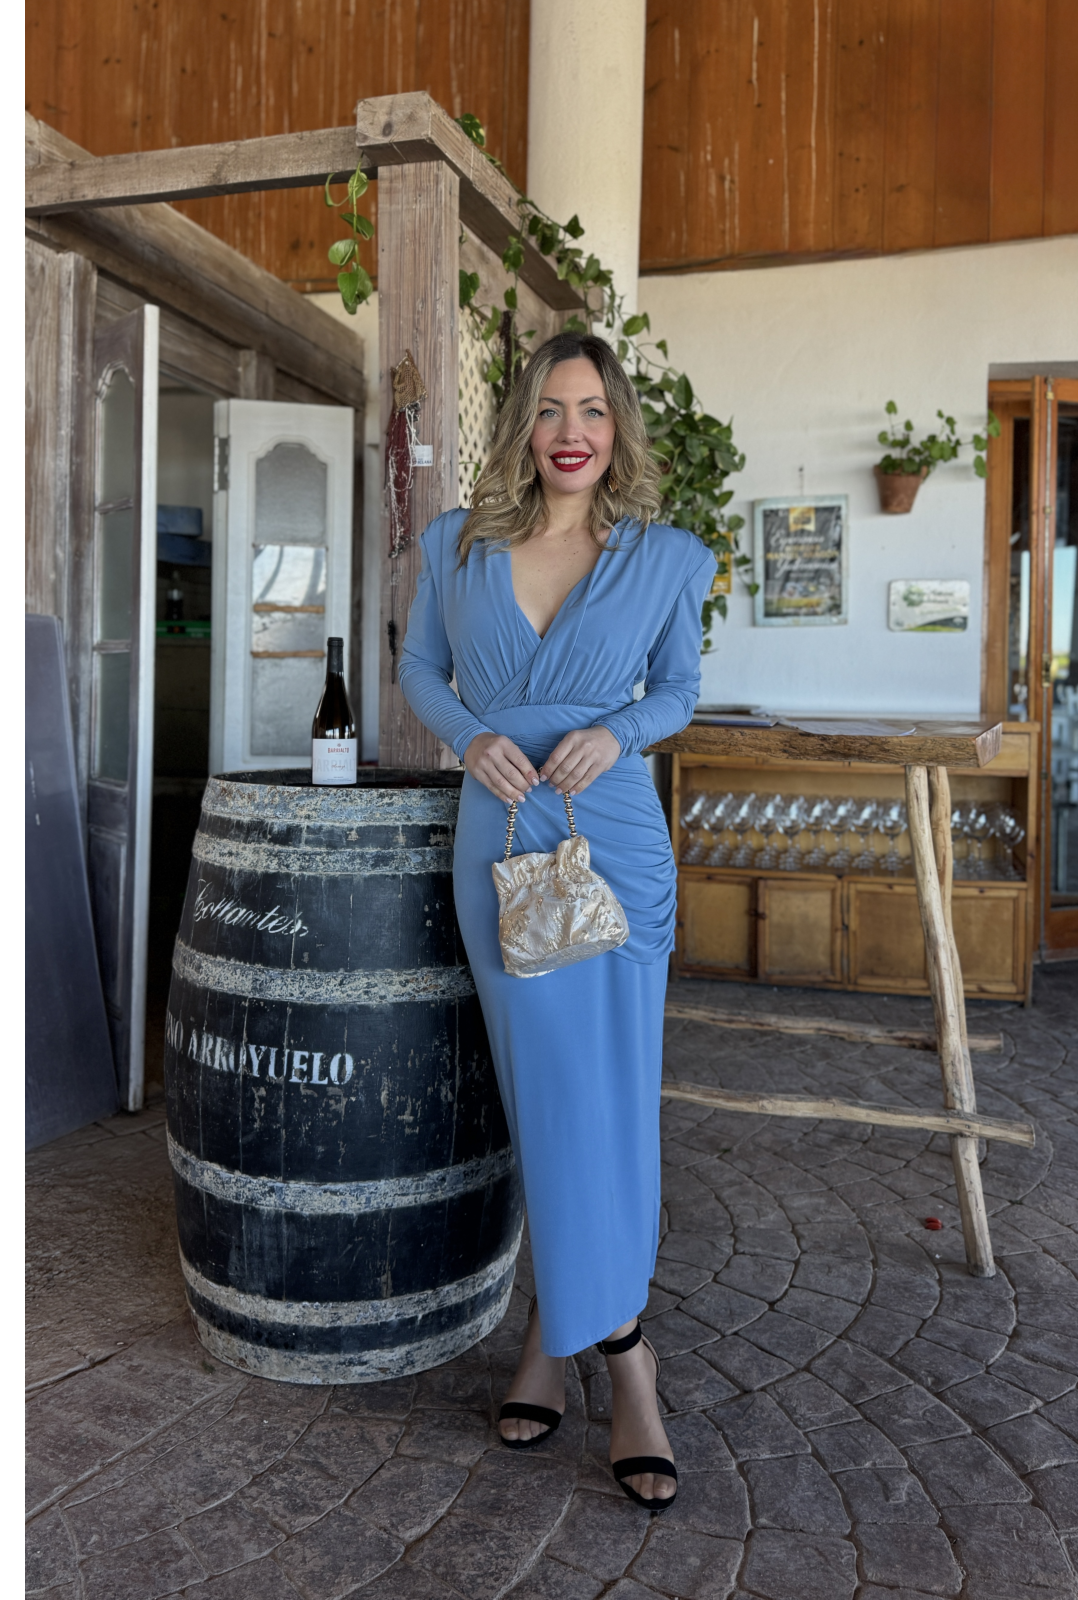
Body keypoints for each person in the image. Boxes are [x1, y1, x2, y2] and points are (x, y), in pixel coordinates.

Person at [397, 331, 715, 1512]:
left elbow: (678, 689)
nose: (572, 428)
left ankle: (594, 1354)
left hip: (614, 841)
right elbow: (422, 669)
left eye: (592, 407)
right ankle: (601, 1342)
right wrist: (470, 735)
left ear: (617, 425)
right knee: (545, 1097)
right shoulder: (458, 546)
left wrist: (622, 730)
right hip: (502, 833)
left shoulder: (669, 557)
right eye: (549, 409)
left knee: (613, 1099)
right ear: (524, 428)